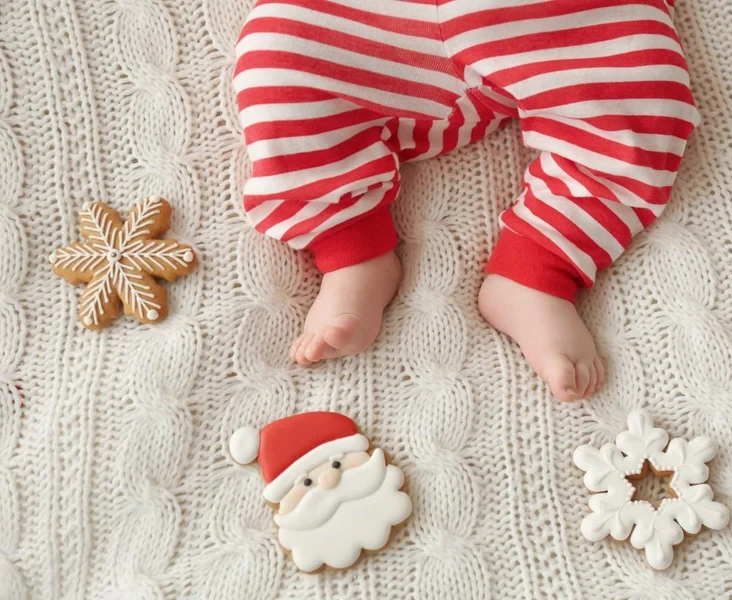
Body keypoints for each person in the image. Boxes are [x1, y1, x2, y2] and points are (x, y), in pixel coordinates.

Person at [233, 0, 699, 401]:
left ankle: (539, 265)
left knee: (647, 89)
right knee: (276, 51)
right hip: (375, 17)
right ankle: (349, 245)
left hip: (549, 18)